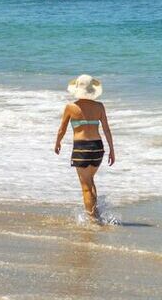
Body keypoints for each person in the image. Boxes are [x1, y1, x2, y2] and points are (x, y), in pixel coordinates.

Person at [54, 74, 115, 221]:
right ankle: (96, 214)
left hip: (82, 148)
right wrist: (112, 150)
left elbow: (62, 129)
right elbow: (106, 129)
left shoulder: (71, 107)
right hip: (97, 147)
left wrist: (57, 142)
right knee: (90, 180)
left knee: (85, 186)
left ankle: (92, 221)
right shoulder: (99, 106)